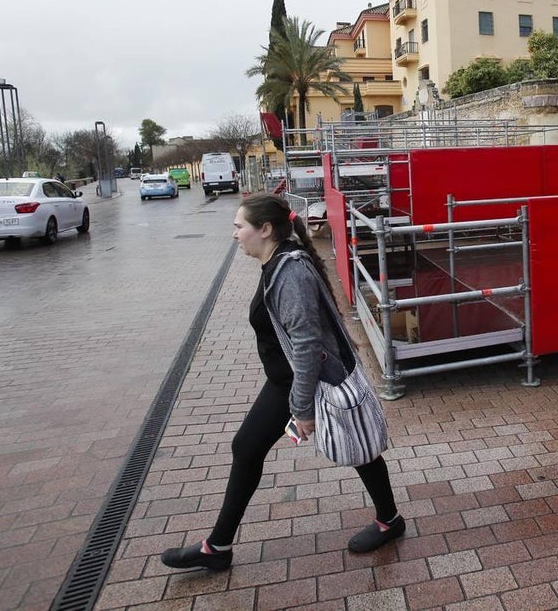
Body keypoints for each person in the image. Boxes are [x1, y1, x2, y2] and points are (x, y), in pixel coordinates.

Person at [160, 193, 404, 571]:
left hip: (301, 380)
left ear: (266, 229)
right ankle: (218, 547)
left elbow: (307, 346)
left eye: (239, 227)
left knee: (357, 446)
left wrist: (302, 408)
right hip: (285, 379)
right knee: (247, 448)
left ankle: (390, 521)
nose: (235, 235)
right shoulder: (278, 261)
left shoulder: (288, 273)